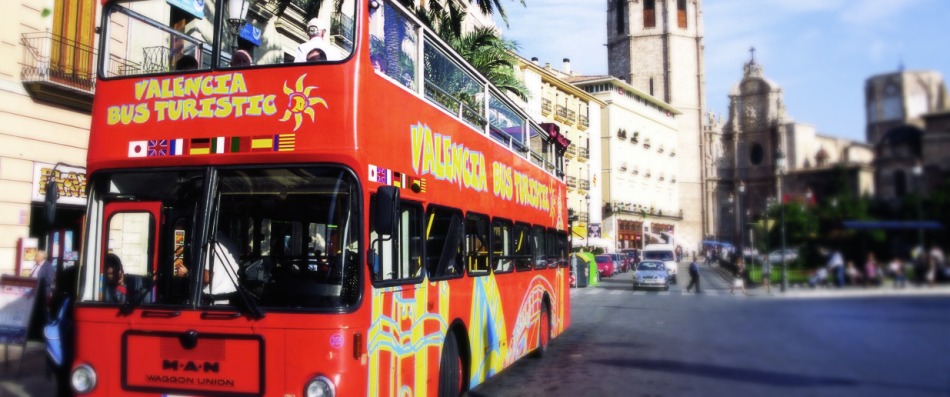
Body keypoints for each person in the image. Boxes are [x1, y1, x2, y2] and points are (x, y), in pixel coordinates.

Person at [203, 233, 241, 304]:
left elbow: (207, 278)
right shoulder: (233, 243)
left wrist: (187, 273)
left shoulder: (211, 244)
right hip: (232, 295)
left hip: (214, 298)